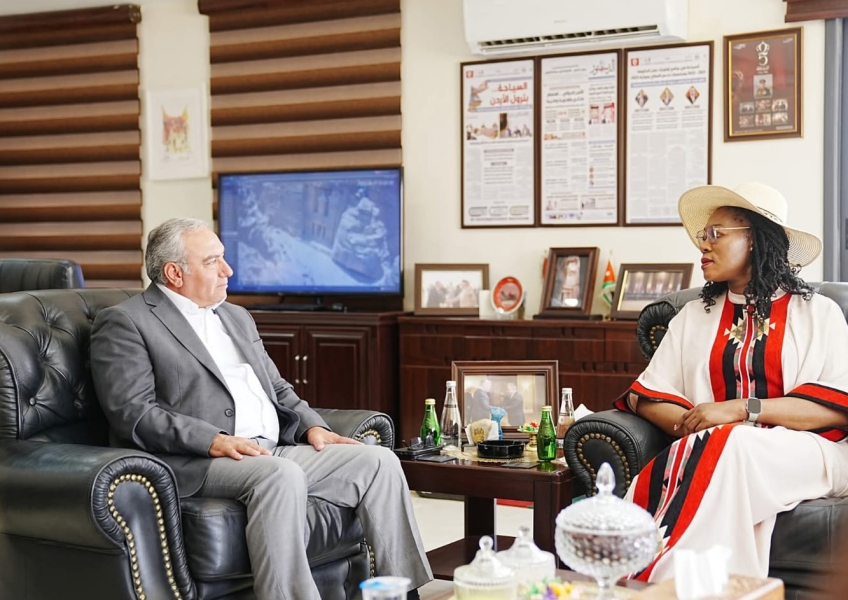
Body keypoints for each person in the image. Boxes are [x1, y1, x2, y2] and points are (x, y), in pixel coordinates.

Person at [90, 218, 432, 600]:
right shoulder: (127, 321)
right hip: (197, 460)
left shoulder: (235, 316)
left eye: (223, 258)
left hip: (269, 449)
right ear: (174, 273)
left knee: (378, 461)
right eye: (212, 261)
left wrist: (312, 427)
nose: (228, 270)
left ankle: (406, 593)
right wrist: (214, 440)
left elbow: (278, 388)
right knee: (280, 474)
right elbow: (133, 412)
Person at [613, 182, 848, 583]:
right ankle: (680, 580)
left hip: (814, 452)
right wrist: (697, 424)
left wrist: (741, 411)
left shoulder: (817, 313)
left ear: (755, 239)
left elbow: (837, 407)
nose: (703, 244)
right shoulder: (693, 317)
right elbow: (647, 396)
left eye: (715, 234)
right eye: (703, 234)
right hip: (714, 449)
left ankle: (656, 581)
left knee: (733, 442)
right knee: (727, 444)